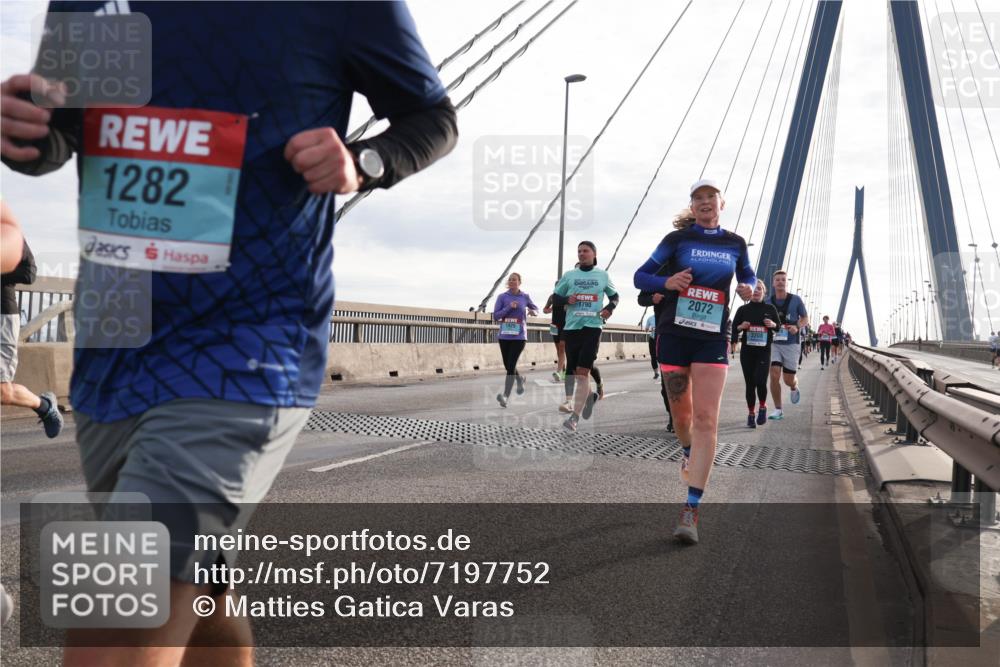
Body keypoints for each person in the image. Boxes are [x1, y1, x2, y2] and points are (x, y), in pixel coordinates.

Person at [1, 3, 457, 665]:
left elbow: (431, 118)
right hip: (114, 353)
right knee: (205, 598)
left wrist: (367, 159)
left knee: (123, 608)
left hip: (248, 347)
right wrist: (31, 131)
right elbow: (69, 125)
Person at [634, 179, 755, 544]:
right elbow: (640, 276)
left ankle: (691, 509)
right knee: (682, 417)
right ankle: (687, 452)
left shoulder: (734, 243)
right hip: (674, 335)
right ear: (692, 206)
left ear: (722, 204)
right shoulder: (677, 241)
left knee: (706, 419)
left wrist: (749, 287)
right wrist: (668, 281)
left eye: (710, 198)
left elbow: (747, 275)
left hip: (712, 338)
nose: (704, 202)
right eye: (698, 198)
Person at [0, 224, 63, 438]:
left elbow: (29, 273)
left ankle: (45, 407)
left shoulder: (9, 233)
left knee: (3, 391)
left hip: (2, 315)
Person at [555, 242, 618, 432]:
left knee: (582, 374)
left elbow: (614, 297)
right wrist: (567, 299)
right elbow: (555, 298)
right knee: (576, 374)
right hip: (572, 328)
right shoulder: (569, 275)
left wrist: (609, 308)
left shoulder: (603, 275)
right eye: (579, 251)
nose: (582, 254)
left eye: (585, 251)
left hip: (593, 327)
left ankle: (574, 418)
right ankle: (590, 397)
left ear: (594, 254)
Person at [730, 279, 780, 428]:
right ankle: (751, 413)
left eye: (759, 289)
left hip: (764, 351)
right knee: (750, 384)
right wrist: (741, 326)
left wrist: (773, 324)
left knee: (760, 381)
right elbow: (734, 329)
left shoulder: (770, 309)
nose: (756, 291)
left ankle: (762, 407)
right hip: (747, 351)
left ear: (764, 292)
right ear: (749, 292)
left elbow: (778, 327)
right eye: (754, 289)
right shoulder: (742, 310)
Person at [766, 270, 808, 420]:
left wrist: (797, 326)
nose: (780, 282)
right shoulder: (768, 302)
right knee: (774, 374)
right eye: (777, 280)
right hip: (775, 343)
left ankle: (794, 386)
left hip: (792, 343)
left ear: (786, 282)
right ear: (773, 283)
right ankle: (778, 409)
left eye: (783, 280)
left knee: (787, 379)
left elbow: (805, 318)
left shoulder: (796, 300)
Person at [492, 273, 538, 407]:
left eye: (515, 280)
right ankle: (519, 380)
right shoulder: (502, 297)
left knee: (511, 366)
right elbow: (496, 316)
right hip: (504, 336)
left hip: (519, 336)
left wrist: (533, 311)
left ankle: (505, 396)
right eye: (510, 280)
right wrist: (508, 307)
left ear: (519, 282)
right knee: (508, 366)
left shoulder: (525, 296)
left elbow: (535, 308)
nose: (512, 281)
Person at [543, 286, 567, 382]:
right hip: (554, 325)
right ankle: (564, 371)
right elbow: (545, 309)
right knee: (558, 350)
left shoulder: (567, 297)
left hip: (565, 325)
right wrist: (548, 310)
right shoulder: (552, 297)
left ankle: (558, 371)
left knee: (562, 347)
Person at [645, 311, 659, 380]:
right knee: (653, 356)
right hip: (652, 338)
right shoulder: (650, 318)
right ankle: (656, 373)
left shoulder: (663, 316)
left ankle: (664, 371)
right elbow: (646, 329)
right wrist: (650, 329)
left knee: (660, 356)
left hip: (660, 338)